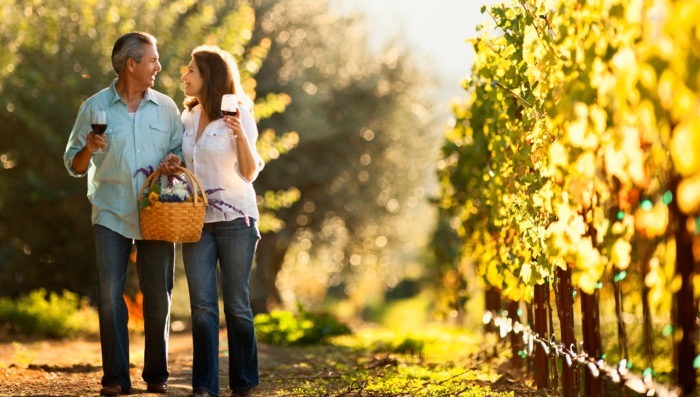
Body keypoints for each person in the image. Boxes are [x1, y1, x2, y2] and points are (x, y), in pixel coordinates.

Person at [63, 32, 183, 396]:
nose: (158, 67)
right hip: (111, 211)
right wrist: (88, 148)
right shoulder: (94, 107)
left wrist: (174, 162)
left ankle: (156, 375)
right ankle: (115, 377)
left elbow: (180, 154)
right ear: (131, 65)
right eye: (152, 60)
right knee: (110, 292)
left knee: (158, 294)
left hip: (158, 212)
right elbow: (74, 163)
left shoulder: (166, 107)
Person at [165, 45, 263, 397]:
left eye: (191, 69)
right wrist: (174, 164)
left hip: (237, 218)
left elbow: (250, 172)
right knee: (202, 306)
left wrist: (238, 133)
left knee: (236, 304)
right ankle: (205, 386)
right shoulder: (187, 118)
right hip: (197, 222)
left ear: (209, 76)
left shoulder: (239, 114)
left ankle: (243, 382)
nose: (184, 74)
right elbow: (187, 167)